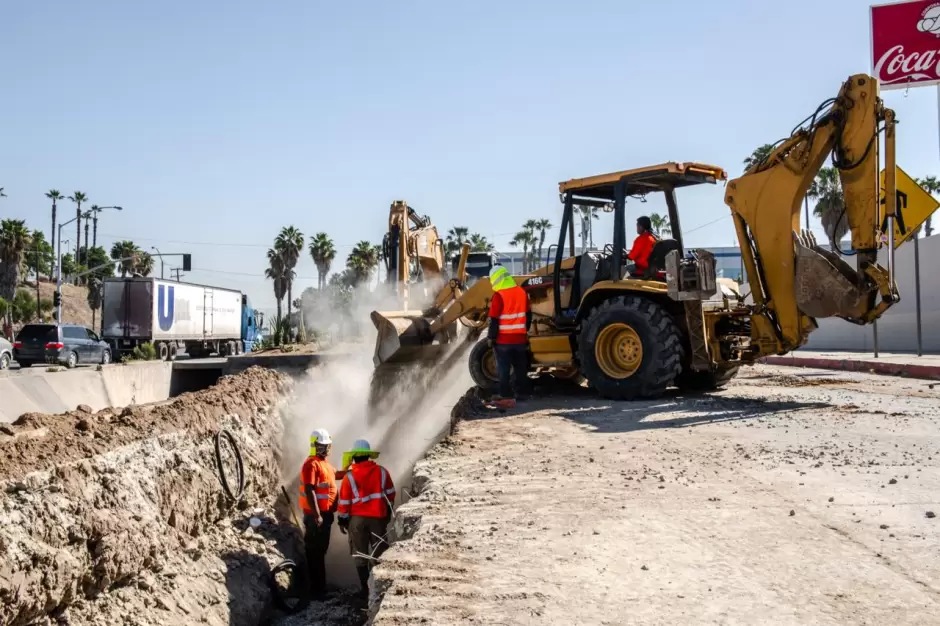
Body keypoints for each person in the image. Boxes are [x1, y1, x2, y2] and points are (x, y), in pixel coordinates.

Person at [336, 439, 396, 598]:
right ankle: (380, 589)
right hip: (378, 518)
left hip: (357, 521)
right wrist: (388, 514)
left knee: (360, 554)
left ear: (354, 457)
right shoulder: (382, 472)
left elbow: (344, 503)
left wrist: (342, 520)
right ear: (368, 456)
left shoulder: (349, 477)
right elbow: (391, 494)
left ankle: (365, 591)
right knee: (379, 553)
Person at [298, 428, 338, 598]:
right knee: (315, 553)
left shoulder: (325, 465)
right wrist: (317, 515)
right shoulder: (311, 464)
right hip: (317, 516)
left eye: (327, 446)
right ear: (315, 446)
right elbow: (309, 490)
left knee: (319, 552)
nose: (325, 449)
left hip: (324, 516)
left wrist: (351, 470)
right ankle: (317, 591)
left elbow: (337, 474)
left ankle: (318, 588)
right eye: (322, 446)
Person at [486, 264, 531, 409]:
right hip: (520, 339)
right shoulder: (521, 292)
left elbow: (494, 319)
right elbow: (528, 315)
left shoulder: (499, 296)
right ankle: (523, 393)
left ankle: (505, 395)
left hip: (503, 340)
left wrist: (491, 338)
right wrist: (524, 330)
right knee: (520, 368)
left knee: (503, 369)